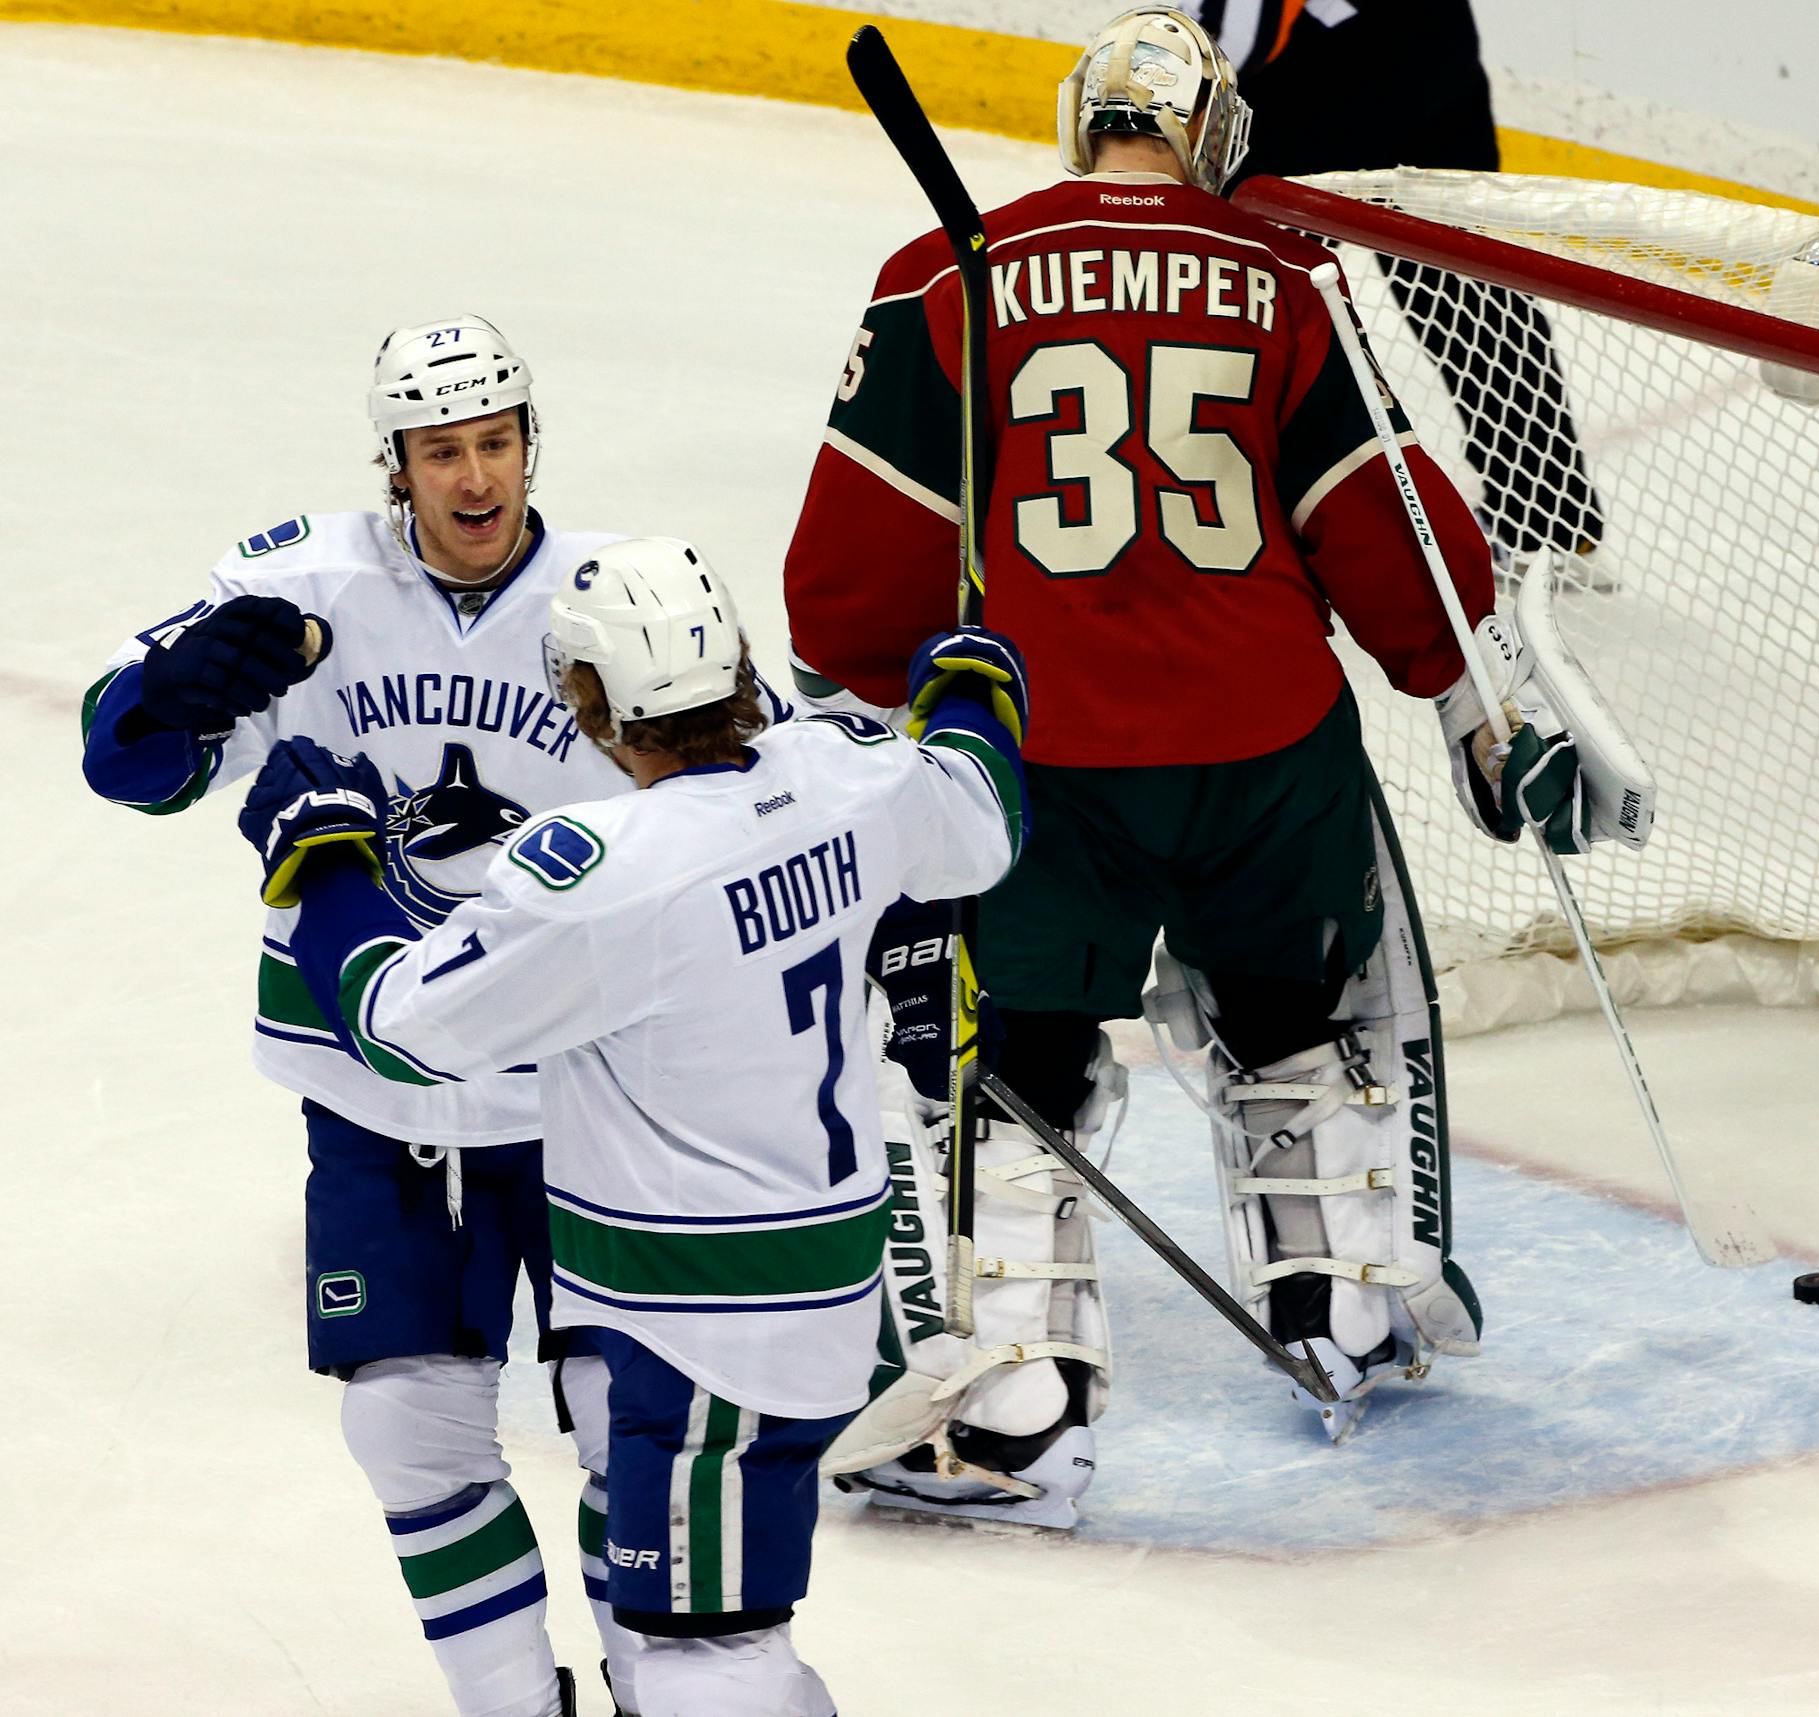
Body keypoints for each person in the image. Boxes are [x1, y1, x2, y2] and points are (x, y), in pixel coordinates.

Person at [784, 7, 1648, 1528]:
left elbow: (846, 596)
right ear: (1217, 139)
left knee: (1023, 1067)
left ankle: (1016, 1411)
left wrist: (906, 716)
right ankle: (1350, 1308)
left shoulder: (944, 278)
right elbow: (1389, 533)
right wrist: (1470, 704)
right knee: (1297, 1017)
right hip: (1269, 751)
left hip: (1040, 761)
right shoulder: (1283, 277)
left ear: (1078, 126)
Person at [80, 320, 789, 1715]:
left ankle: (660, 1688)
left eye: (498, 443)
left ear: (532, 442)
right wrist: (167, 695)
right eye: (442, 451)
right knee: (405, 1425)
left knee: (619, 1423)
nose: (476, 480)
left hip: (585, 1094)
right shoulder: (294, 583)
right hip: (368, 1085)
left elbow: (748, 793)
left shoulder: (620, 595)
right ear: (395, 464)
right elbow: (134, 768)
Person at [235, 537, 1029, 1716]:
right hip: (826, 1282)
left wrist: (332, 860)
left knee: (703, 1656)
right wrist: (973, 688)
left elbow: (400, 1024)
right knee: (711, 1637)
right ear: (740, 667)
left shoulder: (606, 873)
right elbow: (982, 812)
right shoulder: (845, 771)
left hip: (711, 1320)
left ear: (594, 702)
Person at [1185, 0, 1606, 567]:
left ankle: (1190, 495)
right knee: (1462, 290)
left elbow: (1230, 37)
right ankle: (1549, 520)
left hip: (1343, 71)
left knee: (1230, 269)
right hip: (1435, 46)